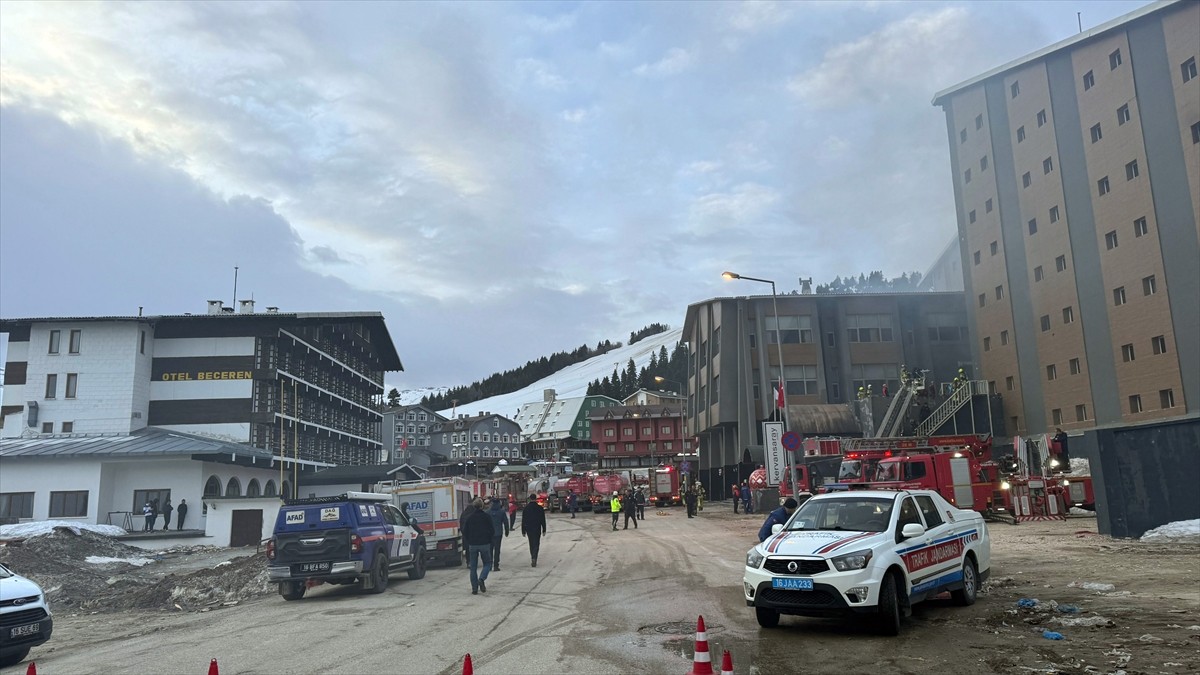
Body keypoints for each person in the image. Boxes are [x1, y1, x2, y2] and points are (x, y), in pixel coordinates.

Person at [461, 498, 494, 594]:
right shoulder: (486, 517)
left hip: (472, 544)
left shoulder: (469, 518)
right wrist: (489, 539)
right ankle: (482, 579)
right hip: (484, 543)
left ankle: (474, 589)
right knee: (487, 563)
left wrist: (469, 540)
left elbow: (465, 531)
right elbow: (492, 530)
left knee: (473, 568)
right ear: (482, 506)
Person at [521, 494, 547, 567]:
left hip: (529, 528)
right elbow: (543, 520)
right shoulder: (540, 508)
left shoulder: (526, 509)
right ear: (536, 499)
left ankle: (533, 556)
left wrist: (523, 530)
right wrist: (544, 529)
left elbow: (523, 520)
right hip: (537, 528)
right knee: (536, 543)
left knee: (531, 543)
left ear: (530, 498)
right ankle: (535, 557)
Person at [487, 498, 511, 571]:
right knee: (497, 550)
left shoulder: (488, 512)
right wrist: (507, 531)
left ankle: (490, 564)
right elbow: (506, 522)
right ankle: (496, 565)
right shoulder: (502, 512)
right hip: (498, 533)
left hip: (489, 534)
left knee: (490, 550)